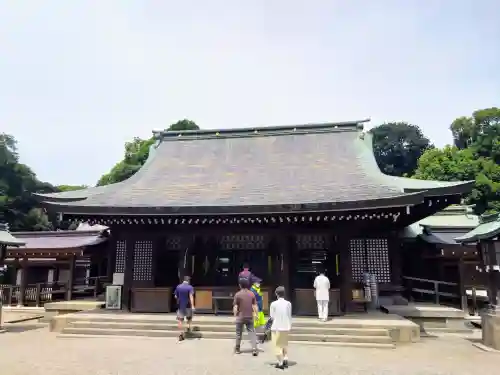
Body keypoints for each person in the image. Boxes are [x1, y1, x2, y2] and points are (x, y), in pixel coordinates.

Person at [233, 280, 259, 356]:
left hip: (240, 317)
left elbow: (235, 306)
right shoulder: (252, 294)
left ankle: (237, 348)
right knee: (252, 333)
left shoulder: (237, 294)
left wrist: (235, 316)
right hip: (249, 316)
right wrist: (256, 314)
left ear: (240, 285)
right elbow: (254, 306)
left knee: (238, 333)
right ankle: (254, 349)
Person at [269, 286, 292, 369]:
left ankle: (280, 362)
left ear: (276, 294)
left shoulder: (273, 304)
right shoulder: (288, 303)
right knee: (284, 343)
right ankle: (285, 357)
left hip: (276, 327)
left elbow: (272, 317)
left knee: (277, 345)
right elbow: (289, 315)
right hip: (286, 326)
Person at [174, 275, 195, 341]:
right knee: (189, 318)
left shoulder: (178, 286)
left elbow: (175, 296)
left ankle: (181, 334)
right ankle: (188, 328)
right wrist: (193, 306)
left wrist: (179, 300)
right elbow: (191, 296)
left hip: (180, 306)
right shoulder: (190, 287)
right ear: (188, 280)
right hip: (188, 305)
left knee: (180, 320)